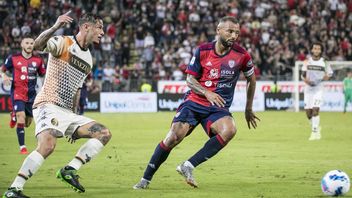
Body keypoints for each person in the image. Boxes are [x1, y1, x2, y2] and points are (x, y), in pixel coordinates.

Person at [133, 16, 260, 189]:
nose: (234, 35)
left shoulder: (241, 55)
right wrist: (207, 92)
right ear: (218, 30)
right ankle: (145, 180)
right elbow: (190, 80)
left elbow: (251, 80)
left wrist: (248, 108)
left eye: (237, 32)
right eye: (230, 31)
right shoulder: (203, 50)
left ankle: (188, 165)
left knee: (230, 129)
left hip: (217, 108)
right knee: (173, 138)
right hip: (194, 102)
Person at [3, 11, 111, 198]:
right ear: (86, 27)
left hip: (68, 112)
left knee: (103, 133)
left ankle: (69, 169)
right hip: (48, 104)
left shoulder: (88, 60)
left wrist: (74, 118)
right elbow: (36, 46)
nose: (103, 32)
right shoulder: (64, 42)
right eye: (100, 27)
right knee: (48, 145)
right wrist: (55, 27)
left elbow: (77, 88)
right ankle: (14, 189)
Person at [0, 34, 46, 154]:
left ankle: (13, 115)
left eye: (31, 43)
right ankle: (23, 148)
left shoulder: (38, 60)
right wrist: (4, 75)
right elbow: (2, 69)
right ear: (21, 44)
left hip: (31, 96)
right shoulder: (13, 58)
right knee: (21, 118)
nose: (29, 45)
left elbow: (43, 74)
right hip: (17, 93)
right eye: (27, 43)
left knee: (27, 123)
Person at [301, 42, 333, 141]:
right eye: (315, 48)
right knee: (308, 113)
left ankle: (314, 133)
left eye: (318, 49)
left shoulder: (325, 61)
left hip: (319, 88)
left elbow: (330, 74)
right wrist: (307, 81)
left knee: (315, 109)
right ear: (312, 50)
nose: (316, 50)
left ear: (321, 51)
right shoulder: (307, 61)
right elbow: (302, 75)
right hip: (308, 88)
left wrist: (325, 78)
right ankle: (316, 127)